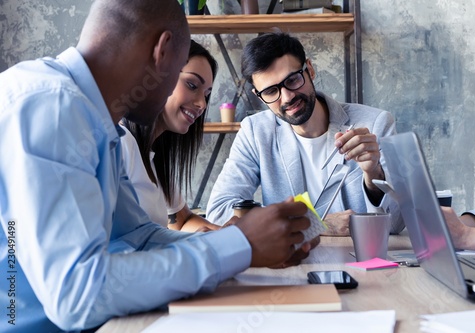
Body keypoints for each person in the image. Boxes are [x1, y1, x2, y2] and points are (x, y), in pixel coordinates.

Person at [0, 1, 310, 332]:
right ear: (163, 51)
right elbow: (78, 296)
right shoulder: (52, 106)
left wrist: (245, 244)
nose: (201, 105)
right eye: (182, 73)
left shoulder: (101, 124)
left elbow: (137, 236)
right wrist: (239, 246)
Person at [206, 32, 405, 235]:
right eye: (270, 92)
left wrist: (373, 174)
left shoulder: (374, 124)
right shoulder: (255, 132)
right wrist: (315, 223)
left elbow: (397, 223)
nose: (286, 98)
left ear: (309, 69)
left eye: (292, 80)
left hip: (359, 262)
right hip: (291, 263)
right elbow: (219, 211)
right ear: (259, 95)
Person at [120, 40, 220, 232]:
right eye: (192, 85)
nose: (202, 104)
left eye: (206, 94)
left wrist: (231, 234)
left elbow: (182, 221)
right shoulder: (120, 144)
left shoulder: (153, 157)